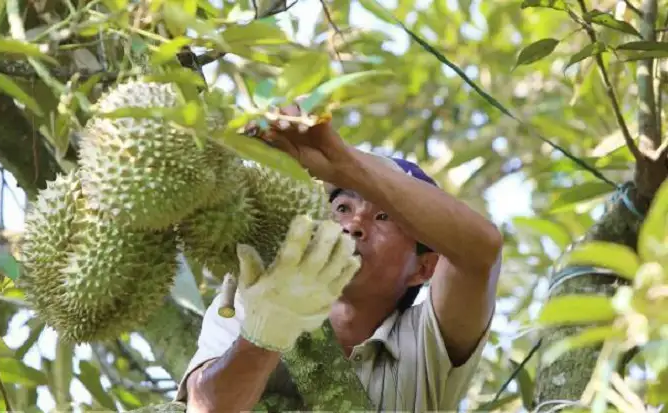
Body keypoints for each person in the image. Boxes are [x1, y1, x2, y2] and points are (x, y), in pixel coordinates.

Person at [173, 103, 504, 412]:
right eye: (342, 208)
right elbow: (206, 406)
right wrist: (265, 331)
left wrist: (342, 162)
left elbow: (481, 251)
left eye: (384, 217)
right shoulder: (255, 294)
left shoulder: (426, 342)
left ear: (423, 267)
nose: (354, 225)